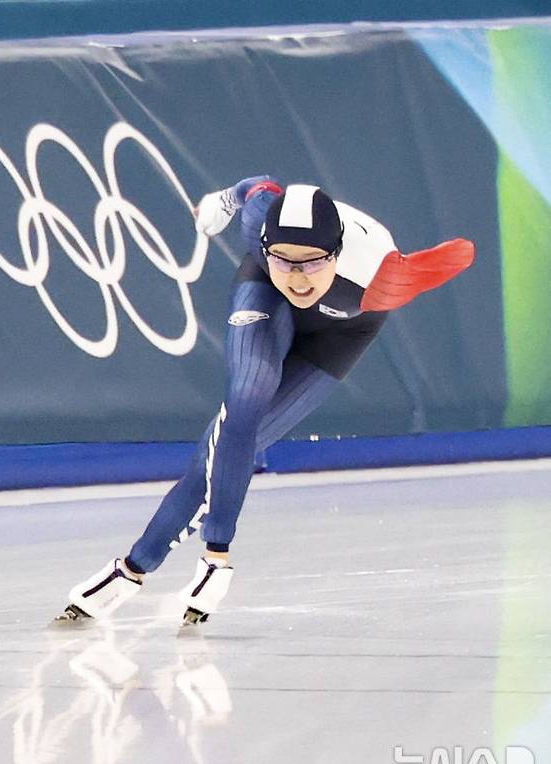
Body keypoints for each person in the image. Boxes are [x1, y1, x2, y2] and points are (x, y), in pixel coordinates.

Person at [55, 177, 475, 626]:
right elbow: (255, 188)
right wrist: (220, 202)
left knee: (212, 460)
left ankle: (132, 569)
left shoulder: (382, 275)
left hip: (339, 336)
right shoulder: (260, 225)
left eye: (311, 264)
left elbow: (459, 256)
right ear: (266, 245)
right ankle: (203, 560)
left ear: (335, 254)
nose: (296, 277)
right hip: (264, 297)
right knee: (245, 400)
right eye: (283, 260)